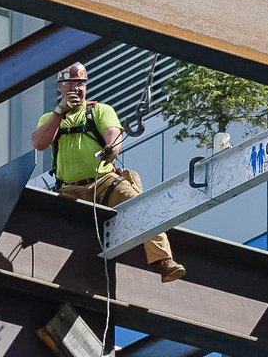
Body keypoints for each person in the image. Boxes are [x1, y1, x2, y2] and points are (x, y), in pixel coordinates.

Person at [31, 62, 187, 282]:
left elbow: (113, 135)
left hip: (105, 182)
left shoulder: (99, 110)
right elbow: (39, 143)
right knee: (55, 222)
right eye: (72, 84)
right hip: (70, 190)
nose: (77, 88)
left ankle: (164, 261)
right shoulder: (50, 119)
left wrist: (111, 149)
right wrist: (60, 112)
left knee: (137, 204)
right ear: (61, 87)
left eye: (81, 84)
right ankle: (51, 270)